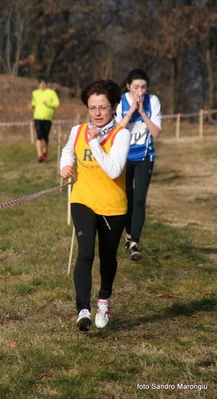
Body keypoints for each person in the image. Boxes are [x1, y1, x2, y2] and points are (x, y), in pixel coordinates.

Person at [60, 80, 130, 331]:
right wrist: (65, 166)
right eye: (92, 108)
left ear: (113, 107)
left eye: (102, 107)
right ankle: (83, 310)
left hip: (113, 205)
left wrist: (94, 143)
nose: (97, 113)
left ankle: (104, 302)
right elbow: (68, 151)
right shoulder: (77, 130)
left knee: (107, 257)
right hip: (83, 199)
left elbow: (113, 170)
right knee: (86, 251)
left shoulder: (121, 135)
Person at [116, 68, 161, 261]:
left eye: (143, 87)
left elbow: (156, 133)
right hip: (124, 158)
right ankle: (127, 236)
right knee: (126, 200)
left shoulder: (153, 101)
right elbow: (116, 131)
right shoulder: (121, 101)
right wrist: (131, 110)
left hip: (144, 157)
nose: (139, 92)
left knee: (140, 200)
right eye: (136, 87)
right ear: (128, 86)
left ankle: (134, 243)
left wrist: (142, 112)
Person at [31, 76, 60, 162]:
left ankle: (45, 150)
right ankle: (39, 154)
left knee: (45, 136)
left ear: (46, 84)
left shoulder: (51, 93)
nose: (42, 85)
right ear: (39, 84)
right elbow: (33, 103)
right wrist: (32, 106)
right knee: (39, 135)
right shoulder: (35, 93)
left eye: (44, 84)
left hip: (48, 118)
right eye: (41, 84)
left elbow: (57, 103)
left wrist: (48, 103)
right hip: (37, 117)